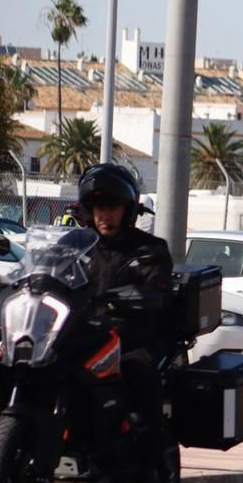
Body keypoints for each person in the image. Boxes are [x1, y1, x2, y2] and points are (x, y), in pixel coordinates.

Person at [73, 163, 174, 442]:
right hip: (81, 337)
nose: (105, 214)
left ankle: (149, 456)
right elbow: (47, 276)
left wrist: (145, 295)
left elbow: (158, 289)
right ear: (88, 210)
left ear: (127, 209)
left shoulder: (149, 249)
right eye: (99, 207)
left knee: (137, 372)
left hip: (129, 340)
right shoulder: (74, 246)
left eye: (112, 207)